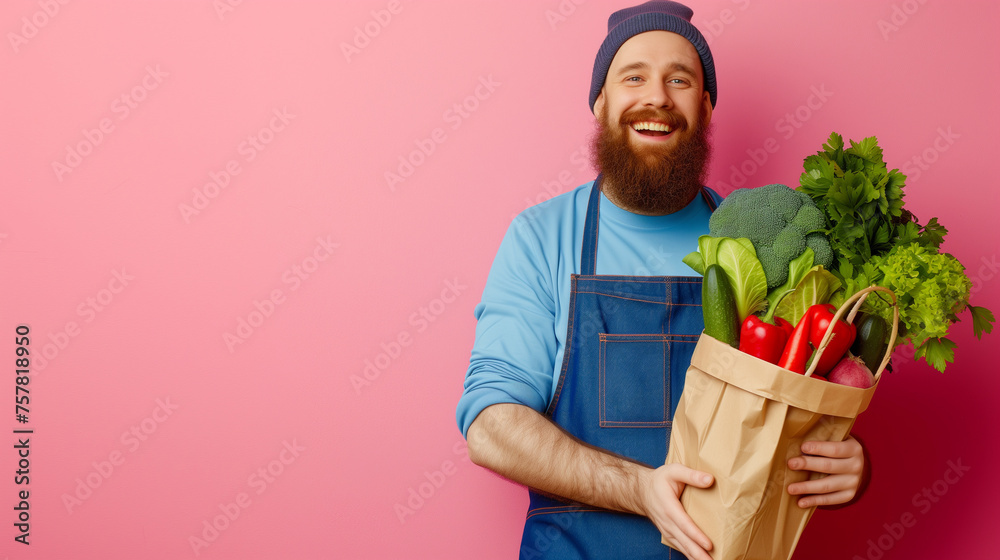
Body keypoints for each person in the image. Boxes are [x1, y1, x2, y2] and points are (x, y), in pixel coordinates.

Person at [456, 2, 869, 558]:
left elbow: (790, 416)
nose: (656, 97)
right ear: (601, 102)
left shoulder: (758, 251)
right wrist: (640, 490)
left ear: (704, 106)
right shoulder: (541, 238)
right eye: (633, 77)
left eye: (679, 79)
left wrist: (845, 463)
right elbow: (491, 426)